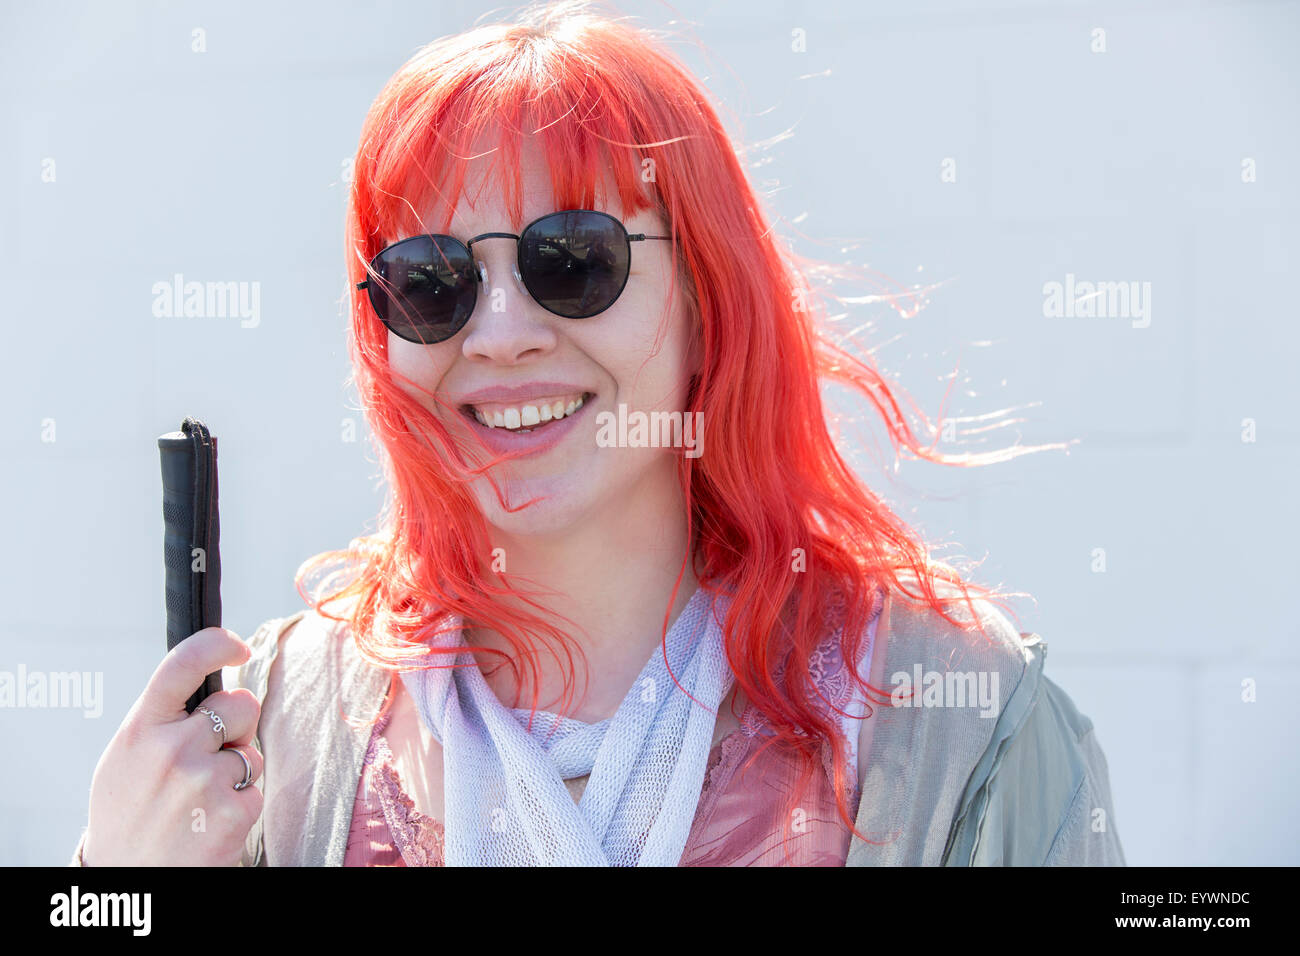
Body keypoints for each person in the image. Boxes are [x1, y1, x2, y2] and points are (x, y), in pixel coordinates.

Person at [72, 0, 1124, 867]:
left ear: (711, 293)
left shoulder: (949, 717)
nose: (497, 335)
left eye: (571, 260)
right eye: (431, 281)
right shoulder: (275, 733)